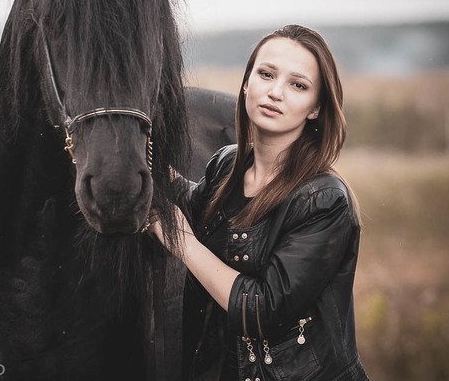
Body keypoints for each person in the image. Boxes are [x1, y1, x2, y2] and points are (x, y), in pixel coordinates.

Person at [150, 24, 369, 381]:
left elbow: (264, 309)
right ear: (246, 83)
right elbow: (194, 205)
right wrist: (143, 162)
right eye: (266, 74)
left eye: (298, 85)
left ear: (315, 108)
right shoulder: (227, 165)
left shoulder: (324, 200)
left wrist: (184, 244)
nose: (275, 92)